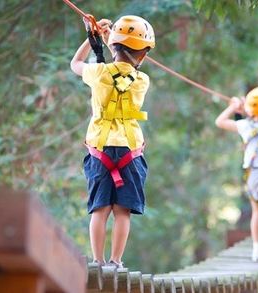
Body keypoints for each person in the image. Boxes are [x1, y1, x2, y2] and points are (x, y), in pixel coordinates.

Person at [70, 15, 155, 268]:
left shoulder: (97, 73)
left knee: (100, 209)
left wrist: (91, 38)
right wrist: (109, 40)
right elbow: (125, 69)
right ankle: (116, 261)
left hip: (101, 150)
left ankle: (97, 260)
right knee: (122, 212)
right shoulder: (142, 81)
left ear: (115, 46)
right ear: (143, 55)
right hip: (130, 151)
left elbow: (75, 63)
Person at [215, 87, 258, 263]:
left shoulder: (244, 126)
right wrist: (246, 107)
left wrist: (233, 107)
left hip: (254, 175)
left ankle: (255, 250)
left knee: (257, 212)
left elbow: (220, 121)